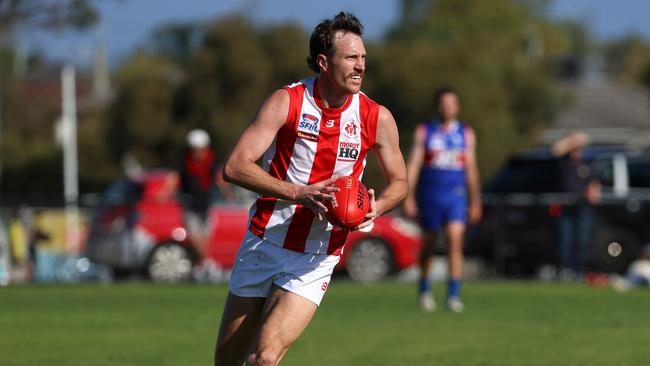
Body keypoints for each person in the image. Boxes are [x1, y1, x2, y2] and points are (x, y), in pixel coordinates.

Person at [214, 12, 408, 366]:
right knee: (228, 362)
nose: (360, 66)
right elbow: (234, 166)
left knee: (265, 358)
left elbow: (400, 183)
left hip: (316, 256)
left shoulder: (375, 117)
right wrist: (298, 192)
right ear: (323, 62)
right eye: (351, 58)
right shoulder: (286, 102)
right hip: (263, 241)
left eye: (363, 58)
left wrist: (375, 209)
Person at [403, 87, 482, 313]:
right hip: (430, 196)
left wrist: (475, 200)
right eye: (443, 103)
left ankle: (453, 294)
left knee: (455, 241)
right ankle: (425, 288)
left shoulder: (466, 134)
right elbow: (415, 165)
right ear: (438, 106)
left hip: (455, 196)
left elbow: (471, 168)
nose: (447, 107)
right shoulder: (425, 131)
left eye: (451, 103)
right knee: (429, 244)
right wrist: (408, 196)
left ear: (457, 107)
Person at [164, 129, 234, 276]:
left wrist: (228, 194)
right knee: (194, 234)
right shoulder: (184, 161)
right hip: (189, 203)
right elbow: (174, 177)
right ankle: (208, 263)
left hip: (206, 204)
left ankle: (200, 267)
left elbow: (218, 178)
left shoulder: (211, 160)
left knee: (205, 236)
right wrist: (164, 193)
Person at [550, 132, 601, 280]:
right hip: (566, 207)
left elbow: (593, 184)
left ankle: (579, 269)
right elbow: (555, 150)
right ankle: (566, 269)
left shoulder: (585, 165)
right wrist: (573, 140)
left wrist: (594, 191)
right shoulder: (564, 162)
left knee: (582, 239)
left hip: (583, 207)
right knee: (566, 238)